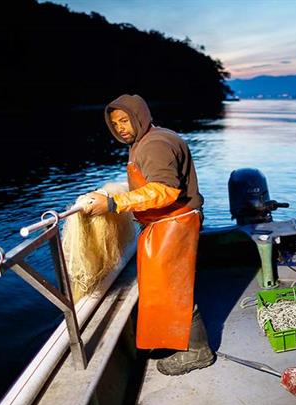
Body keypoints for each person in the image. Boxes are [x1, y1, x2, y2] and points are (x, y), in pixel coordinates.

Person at [83, 94, 214, 375]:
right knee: (161, 288)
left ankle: (198, 351)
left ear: (139, 116)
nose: (119, 127)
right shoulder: (145, 139)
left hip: (174, 223)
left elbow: (165, 190)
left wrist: (112, 203)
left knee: (174, 290)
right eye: (114, 123)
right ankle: (172, 339)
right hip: (165, 223)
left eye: (125, 120)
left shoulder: (154, 144)